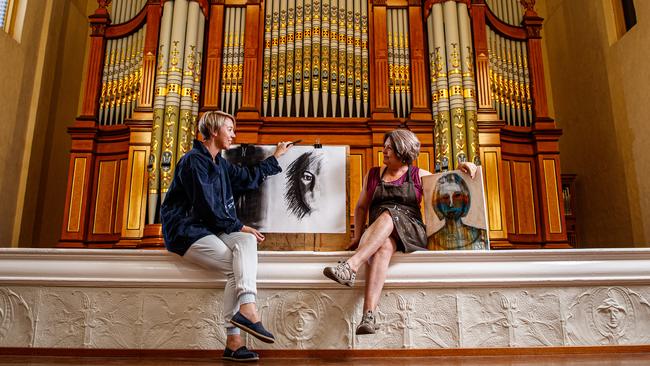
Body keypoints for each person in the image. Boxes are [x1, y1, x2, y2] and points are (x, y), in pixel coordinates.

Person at [161, 110, 292, 362]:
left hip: (211, 229)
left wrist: (275, 156)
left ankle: (242, 319)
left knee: (248, 241)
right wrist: (238, 225)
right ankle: (241, 325)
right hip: (186, 230)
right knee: (238, 260)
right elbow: (205, 206)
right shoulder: (193, 161)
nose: (234, 134)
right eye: (229, 129)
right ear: (213, 131)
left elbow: (247, 177)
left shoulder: (219, 163)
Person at [323, 129, 476, 335]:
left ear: (403, 150)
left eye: (389, 148)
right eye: (384, 146)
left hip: (411, 230)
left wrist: (464, 167)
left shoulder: (419, 175)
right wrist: (358, 236)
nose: (384, 151)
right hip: (380, 233)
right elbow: (360, 208)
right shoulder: (373, 175)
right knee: (383, 247)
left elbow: (445, 183)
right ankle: (369, 315)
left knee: (388, 213)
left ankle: (351, 266)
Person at [427, 172, 487, 250]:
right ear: (438, 203)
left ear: (465, 199)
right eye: (445, 197)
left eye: (457, 196)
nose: (451, 204)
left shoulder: (482, 236)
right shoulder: (431, 241)